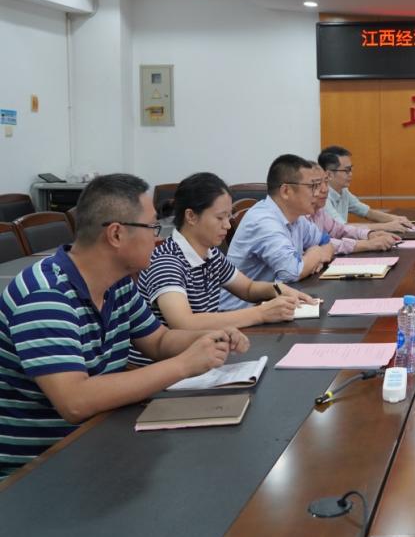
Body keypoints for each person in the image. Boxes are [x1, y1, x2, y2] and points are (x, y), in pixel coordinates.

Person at [0, 174, 248, 478]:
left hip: (98, 441)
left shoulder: (117, 283)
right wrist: (184, 365)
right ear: (116, 234)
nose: (157, 238)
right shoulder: (45, 296)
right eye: (151, 227)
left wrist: (208, 338)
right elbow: (75, 401)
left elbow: (158, 341)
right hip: (37, 470)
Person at [131, 173, 319, 365]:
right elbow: (184, 323)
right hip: (164, 367)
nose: (227, 225)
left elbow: (248, 288)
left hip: (201, 356)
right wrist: (261, 313)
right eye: (220, 217)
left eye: (228, 217)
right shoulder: (167, 261)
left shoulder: (210, 254)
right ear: (191, 216)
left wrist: (278, 289)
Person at [220, 154, 335, 311]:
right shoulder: (264, 221)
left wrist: (317, 254)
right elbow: (292, 272)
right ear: (286, 191)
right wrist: (315, 253)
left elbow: (326, 242)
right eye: (311, 186)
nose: (317, 193)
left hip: (274, 302)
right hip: (241, 312)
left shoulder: (296, 216)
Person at [318, 146, 413, 233]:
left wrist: (396, 219)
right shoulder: (321, 197)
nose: (351, 174)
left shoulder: (343, 191)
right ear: (329, 175)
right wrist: (385, 226)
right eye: (346, 170)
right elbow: (342, 228)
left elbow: (366, 212)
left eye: (351, 169)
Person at [308, 166, 400, 254]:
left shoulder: (319, 211)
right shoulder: (303, 217)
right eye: (317, 184)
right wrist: (368, 244)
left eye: (326, 182)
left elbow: (340, 229)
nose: (325, 189)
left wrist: (369, 234)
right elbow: (322, 244)